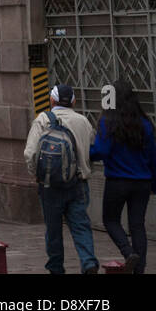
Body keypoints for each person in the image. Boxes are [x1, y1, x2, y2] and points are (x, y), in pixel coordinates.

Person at [24, 84, 99, 274]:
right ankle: (88, 262)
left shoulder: (43, 119)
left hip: (49, 186)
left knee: (53, 229)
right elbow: (92, 149)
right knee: (81, 225)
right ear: (73, 101)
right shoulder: (83, 121)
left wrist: (37, 175)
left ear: (52, 100)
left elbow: (30, 153)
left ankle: (56, 268)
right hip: (78, 183)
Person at [90, 79, 156, 274]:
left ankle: (128, 253)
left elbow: (101, 152)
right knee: (138, 225)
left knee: (111, 220)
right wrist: (155, 183)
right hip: (142, 183)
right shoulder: (144, 123)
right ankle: (139, 269)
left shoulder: (107, 122)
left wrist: (85, 152)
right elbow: (153, 157)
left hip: (117, 182)